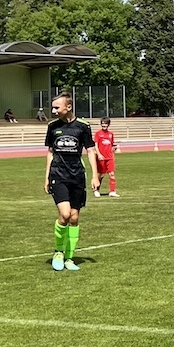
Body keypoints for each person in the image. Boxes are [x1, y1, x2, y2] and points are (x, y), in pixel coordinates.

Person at [44, 92, 98, 271]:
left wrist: (95, 175)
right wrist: (46, 176)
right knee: (65, 215)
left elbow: (90, 151)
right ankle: (58, 252)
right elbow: (50, 152)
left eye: (56, 107)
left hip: (77, 177)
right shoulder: (52, 127)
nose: (53, 111)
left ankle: (69, 257)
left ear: (68, 107)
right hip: (58, 175)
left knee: (74, 218)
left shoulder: (83, 126)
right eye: (53, 107)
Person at [93, 117, 120, 198]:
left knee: (112, 174)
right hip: (101, 157)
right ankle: (96, 189)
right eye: (102, 124)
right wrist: (99, 154)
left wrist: (114, 148)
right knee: (101, 174)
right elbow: (96, 145)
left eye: (105, 124)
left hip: (110, 157)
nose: (104, 125)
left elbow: (111, 144)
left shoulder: (111, 134)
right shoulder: (98, 133)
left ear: (108, 125)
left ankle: (112, 191)